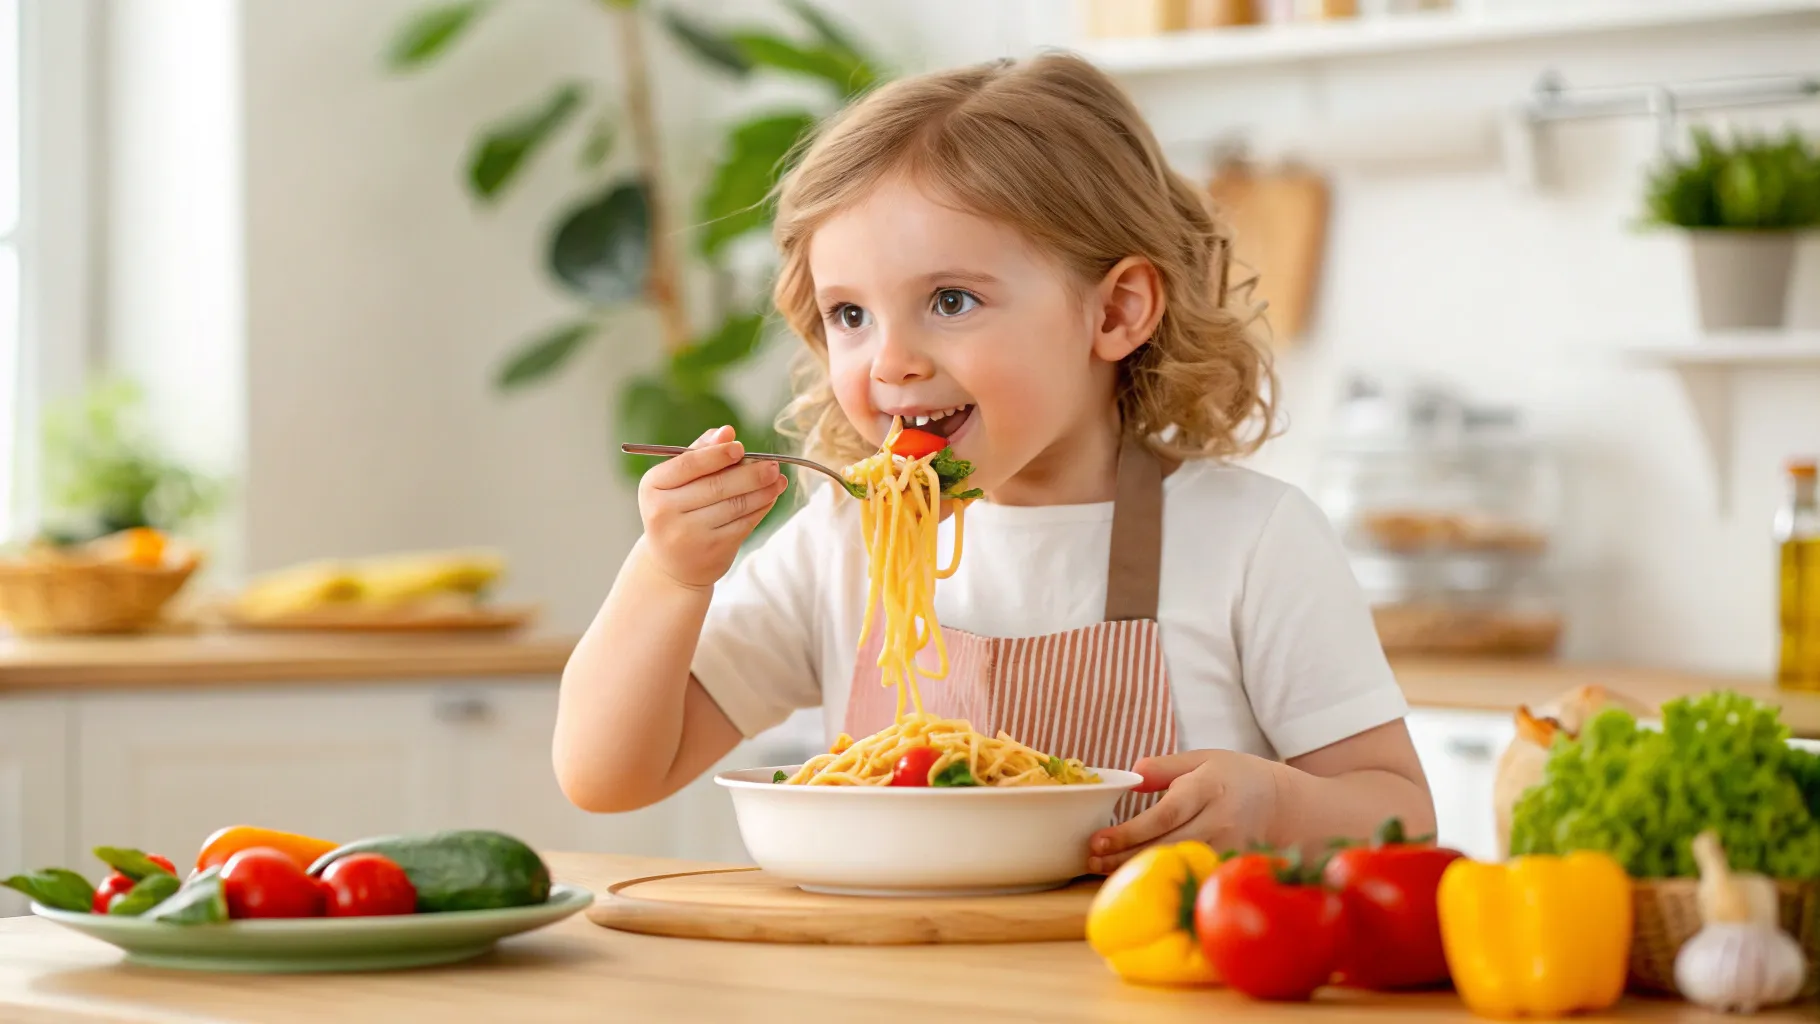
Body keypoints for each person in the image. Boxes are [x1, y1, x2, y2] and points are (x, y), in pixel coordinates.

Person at [555, 51, 1434, 872]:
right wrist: (668, 576)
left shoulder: (1248, 541)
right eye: (849, 315)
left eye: (950, 300)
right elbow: (609, 774)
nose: (890, 359)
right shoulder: (840, 541)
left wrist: (1276, 805)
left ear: (1116, 312)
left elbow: (1402, 811)